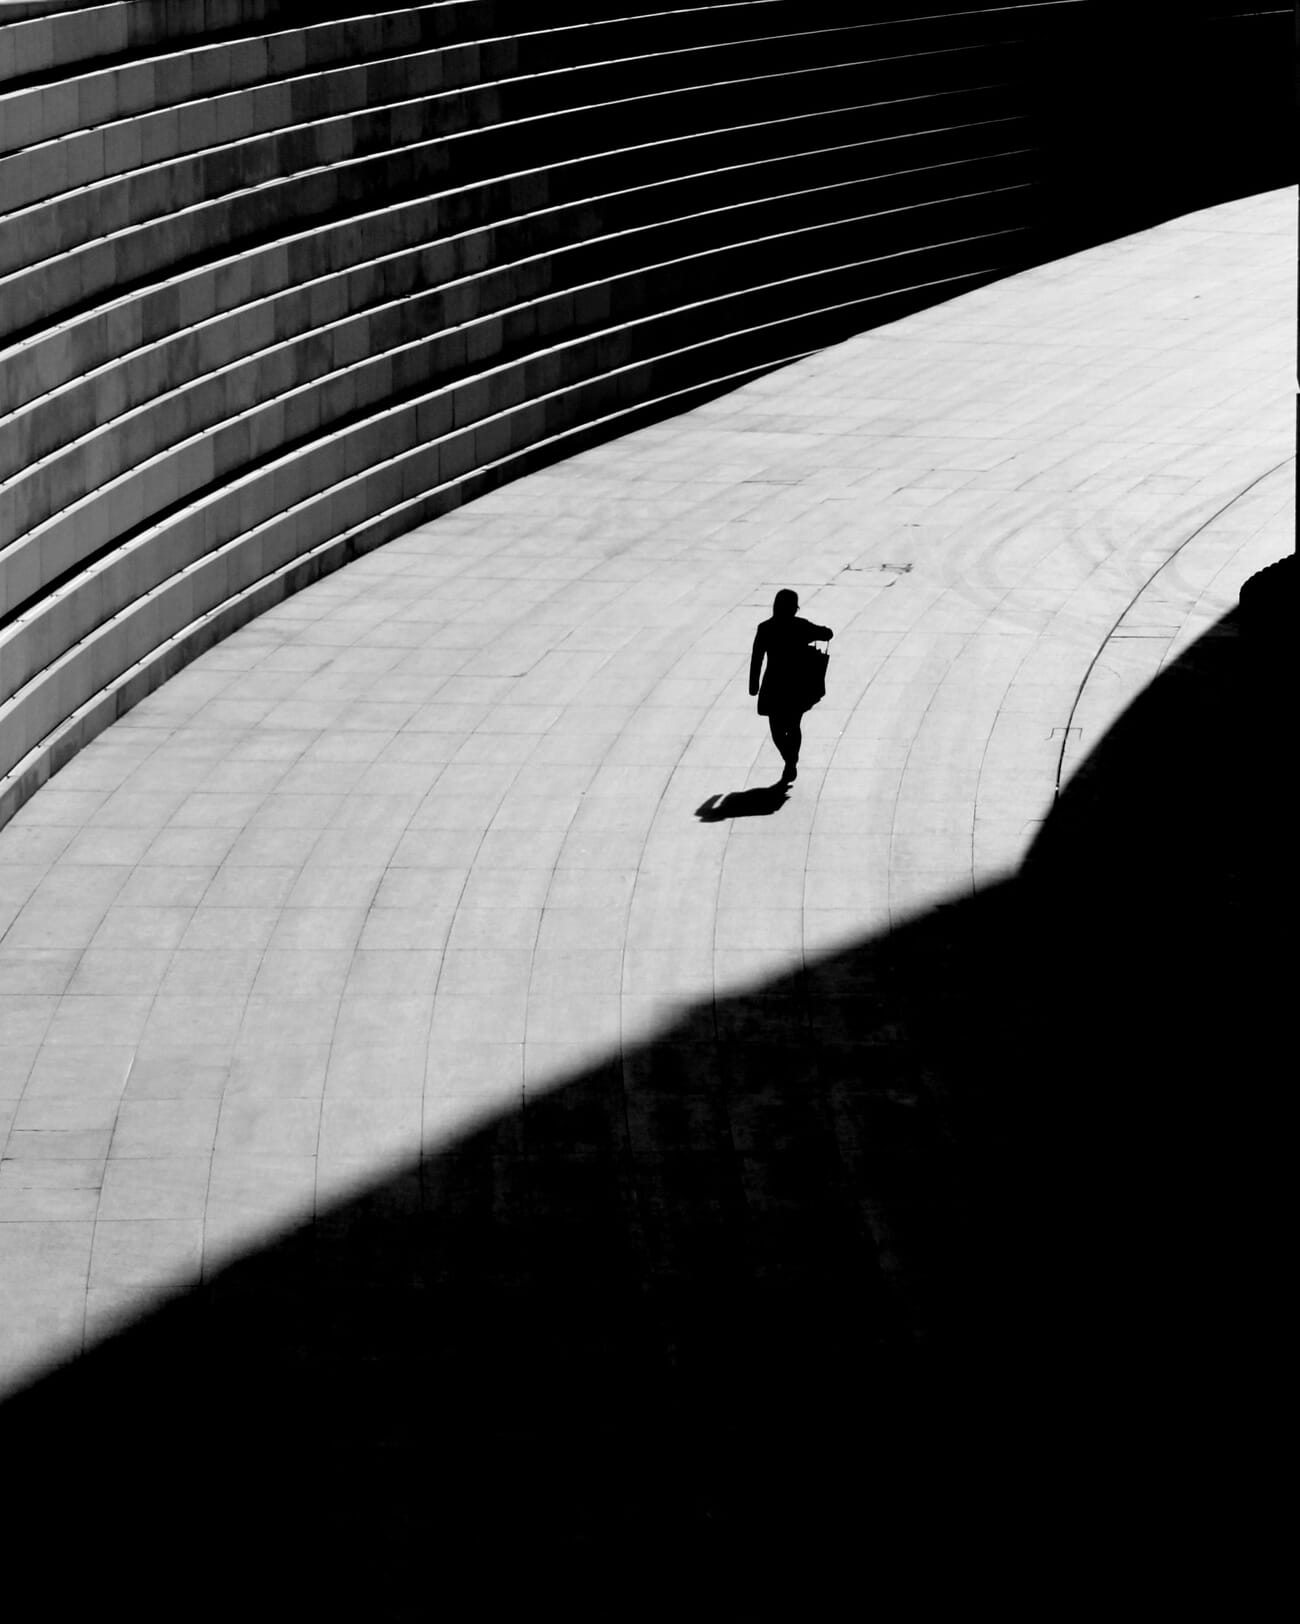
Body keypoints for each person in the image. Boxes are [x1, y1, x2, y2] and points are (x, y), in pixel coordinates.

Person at [748, 589, 832, 783]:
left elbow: (757, 658)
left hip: (774, 684)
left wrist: (754, 684)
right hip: (797, 685)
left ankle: (789, 759)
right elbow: (827, 633)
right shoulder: (800, 626)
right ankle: (791, 761)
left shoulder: (766, 628)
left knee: (776, 728)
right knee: (794, 725)